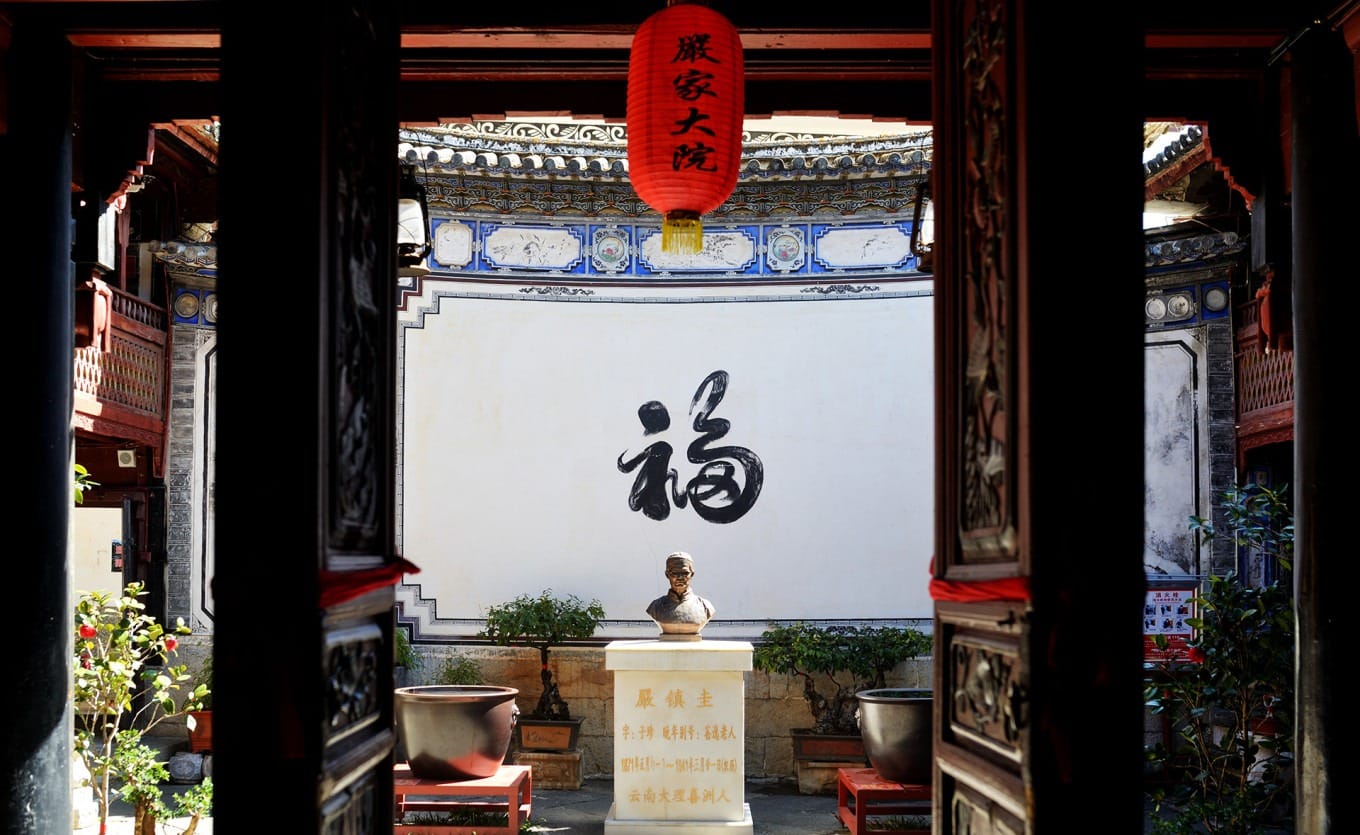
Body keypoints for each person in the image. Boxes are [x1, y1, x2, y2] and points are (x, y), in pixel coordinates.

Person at [646, 551, 715, 638]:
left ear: (692, 574)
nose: (680, 578)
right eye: (675, 573)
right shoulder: (655, 607)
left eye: (685, 573)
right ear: (667, 575)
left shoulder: (705, 606)